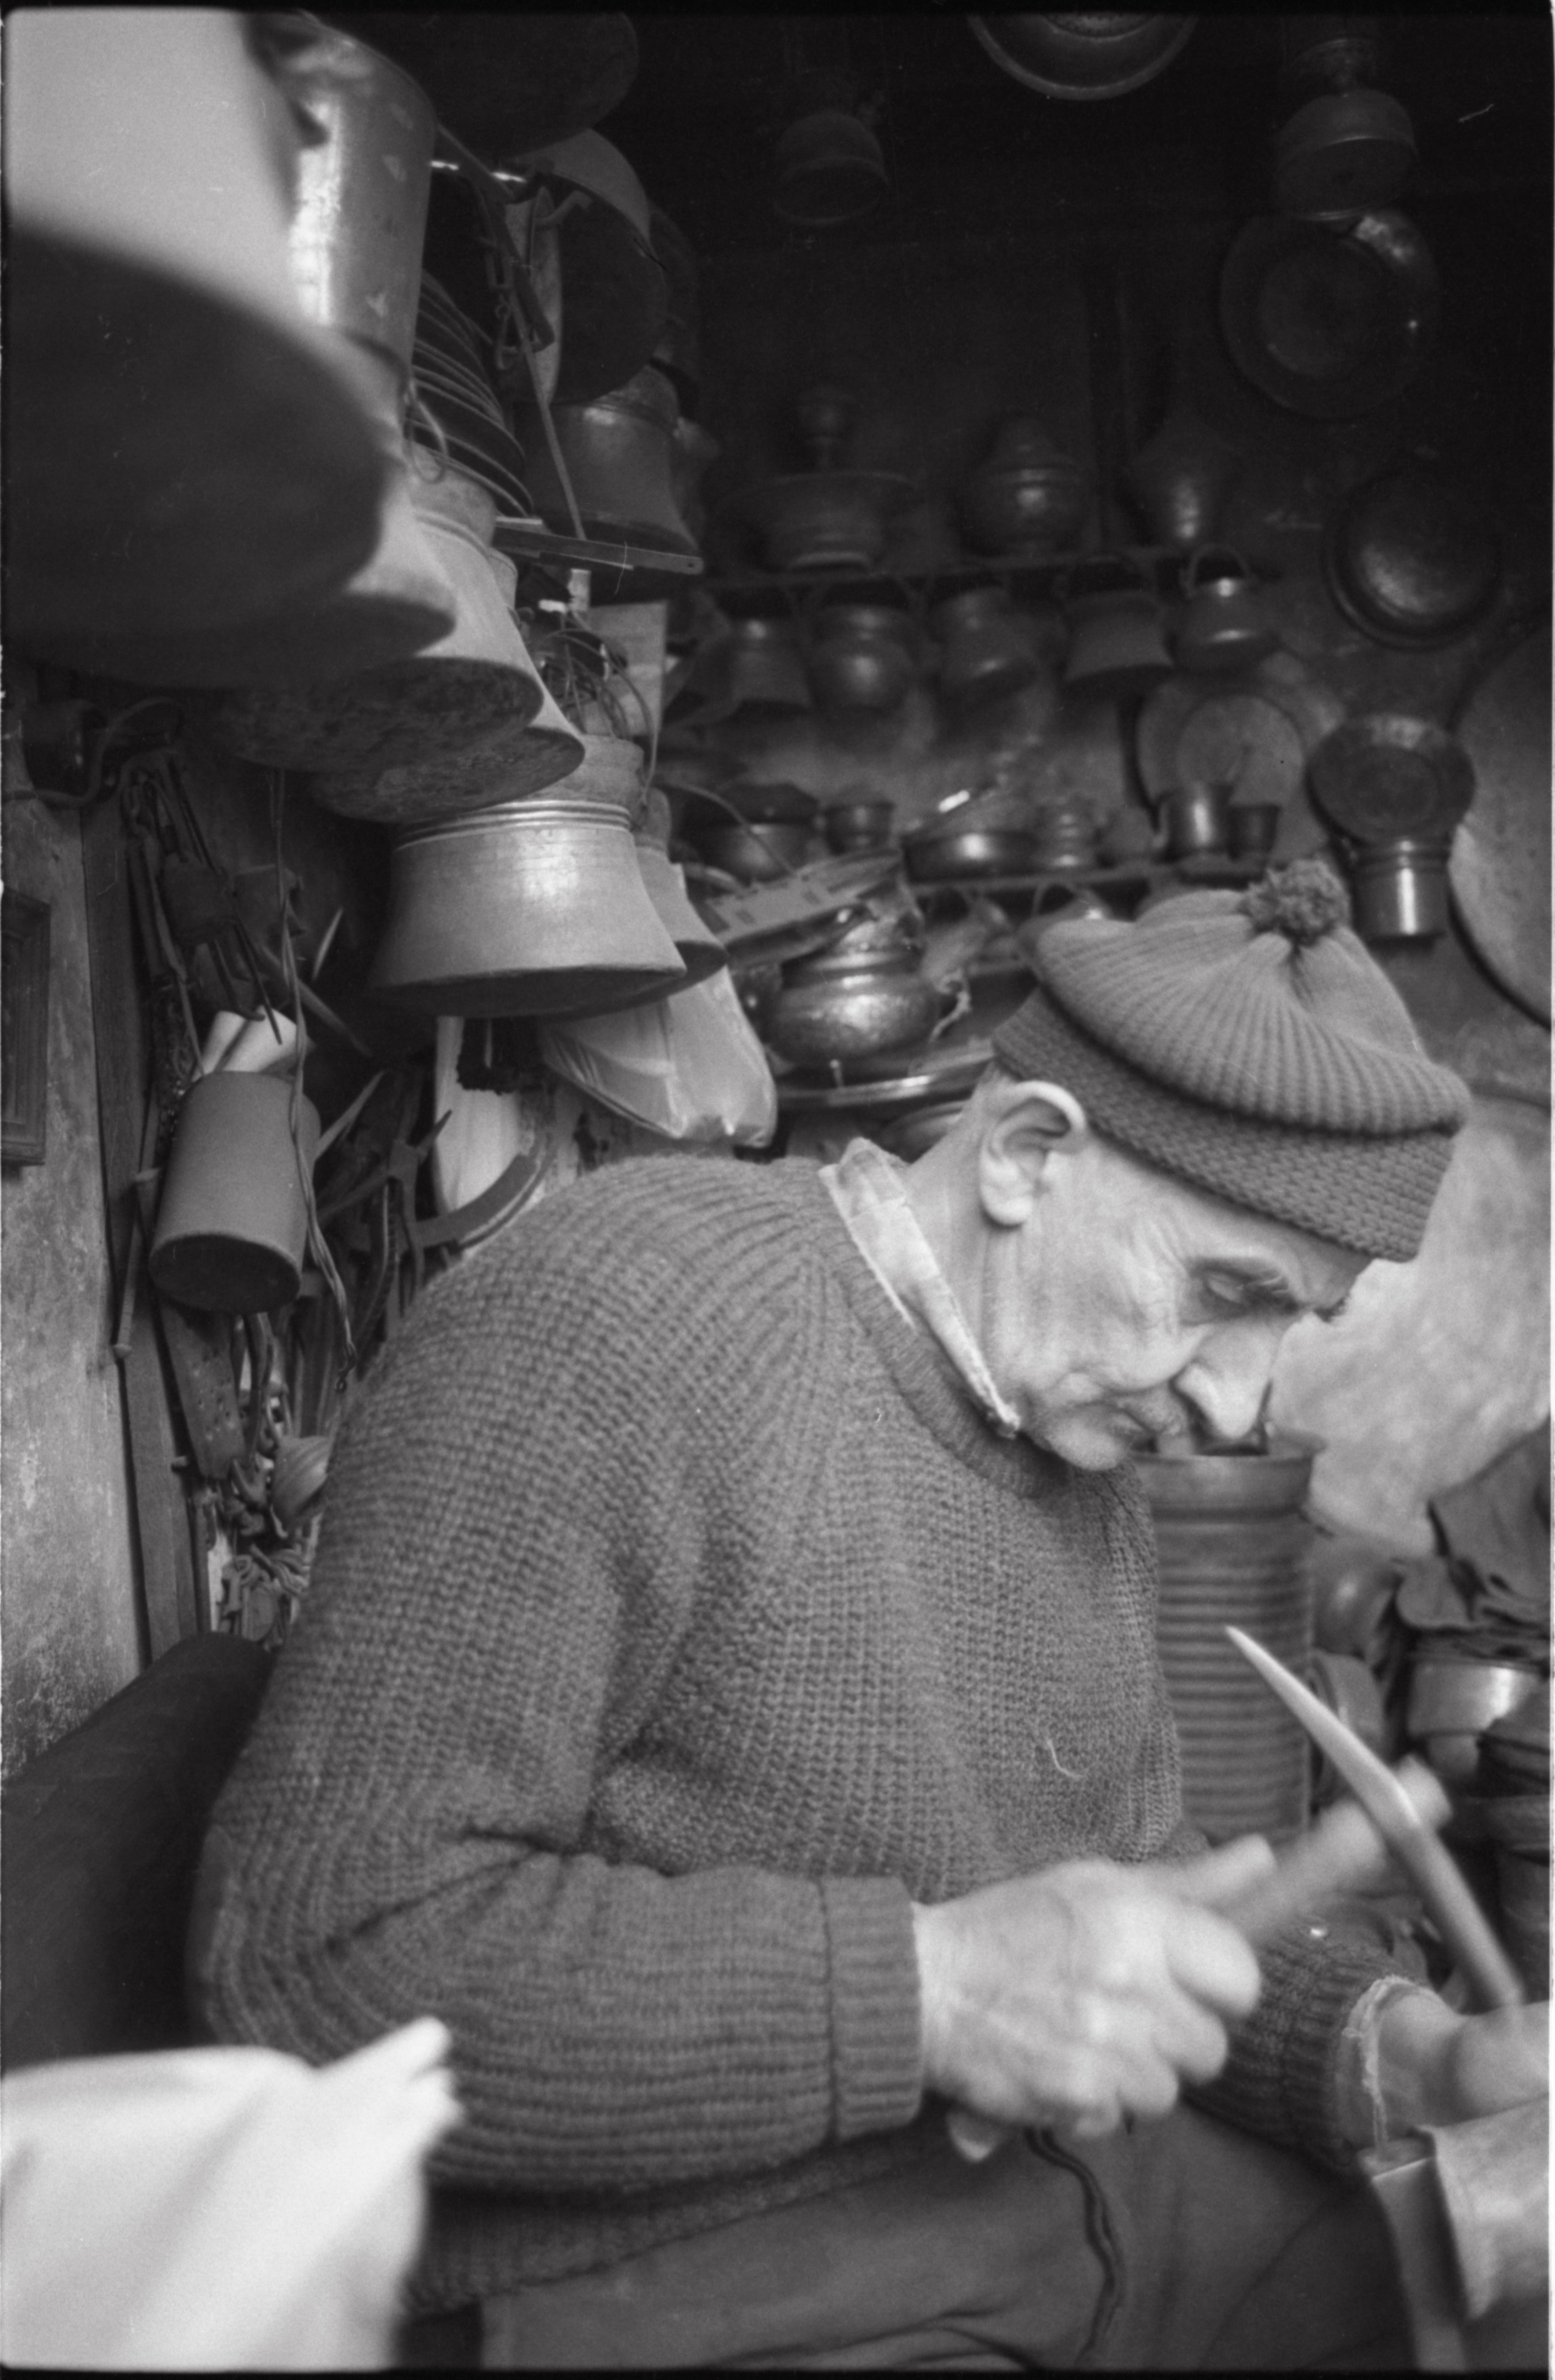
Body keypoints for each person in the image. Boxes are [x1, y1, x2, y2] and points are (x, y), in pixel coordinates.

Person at [193, 862, 1547, 2370]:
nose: (1240, 1403)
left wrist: (1402, 2056)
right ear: (1028, 1155)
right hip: (708, 2279)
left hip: (1068, 2220)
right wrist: (934, 1992)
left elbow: (1122, 1894)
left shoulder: (1070, 1436)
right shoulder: (622, 1320)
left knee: (1508, 2288)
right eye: (1227, 1293)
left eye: (1293, 1320)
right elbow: (318, 1958)